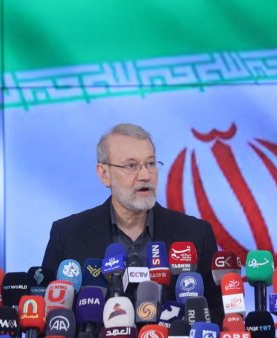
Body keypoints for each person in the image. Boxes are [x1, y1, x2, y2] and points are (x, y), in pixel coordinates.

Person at [41, 123, 222, 323]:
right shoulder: (67, 235)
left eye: (151, 164)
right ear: (104, 174)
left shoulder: (196, 235)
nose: (145, 175)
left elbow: (216, 314)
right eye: (131, 166)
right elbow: (50, 318)